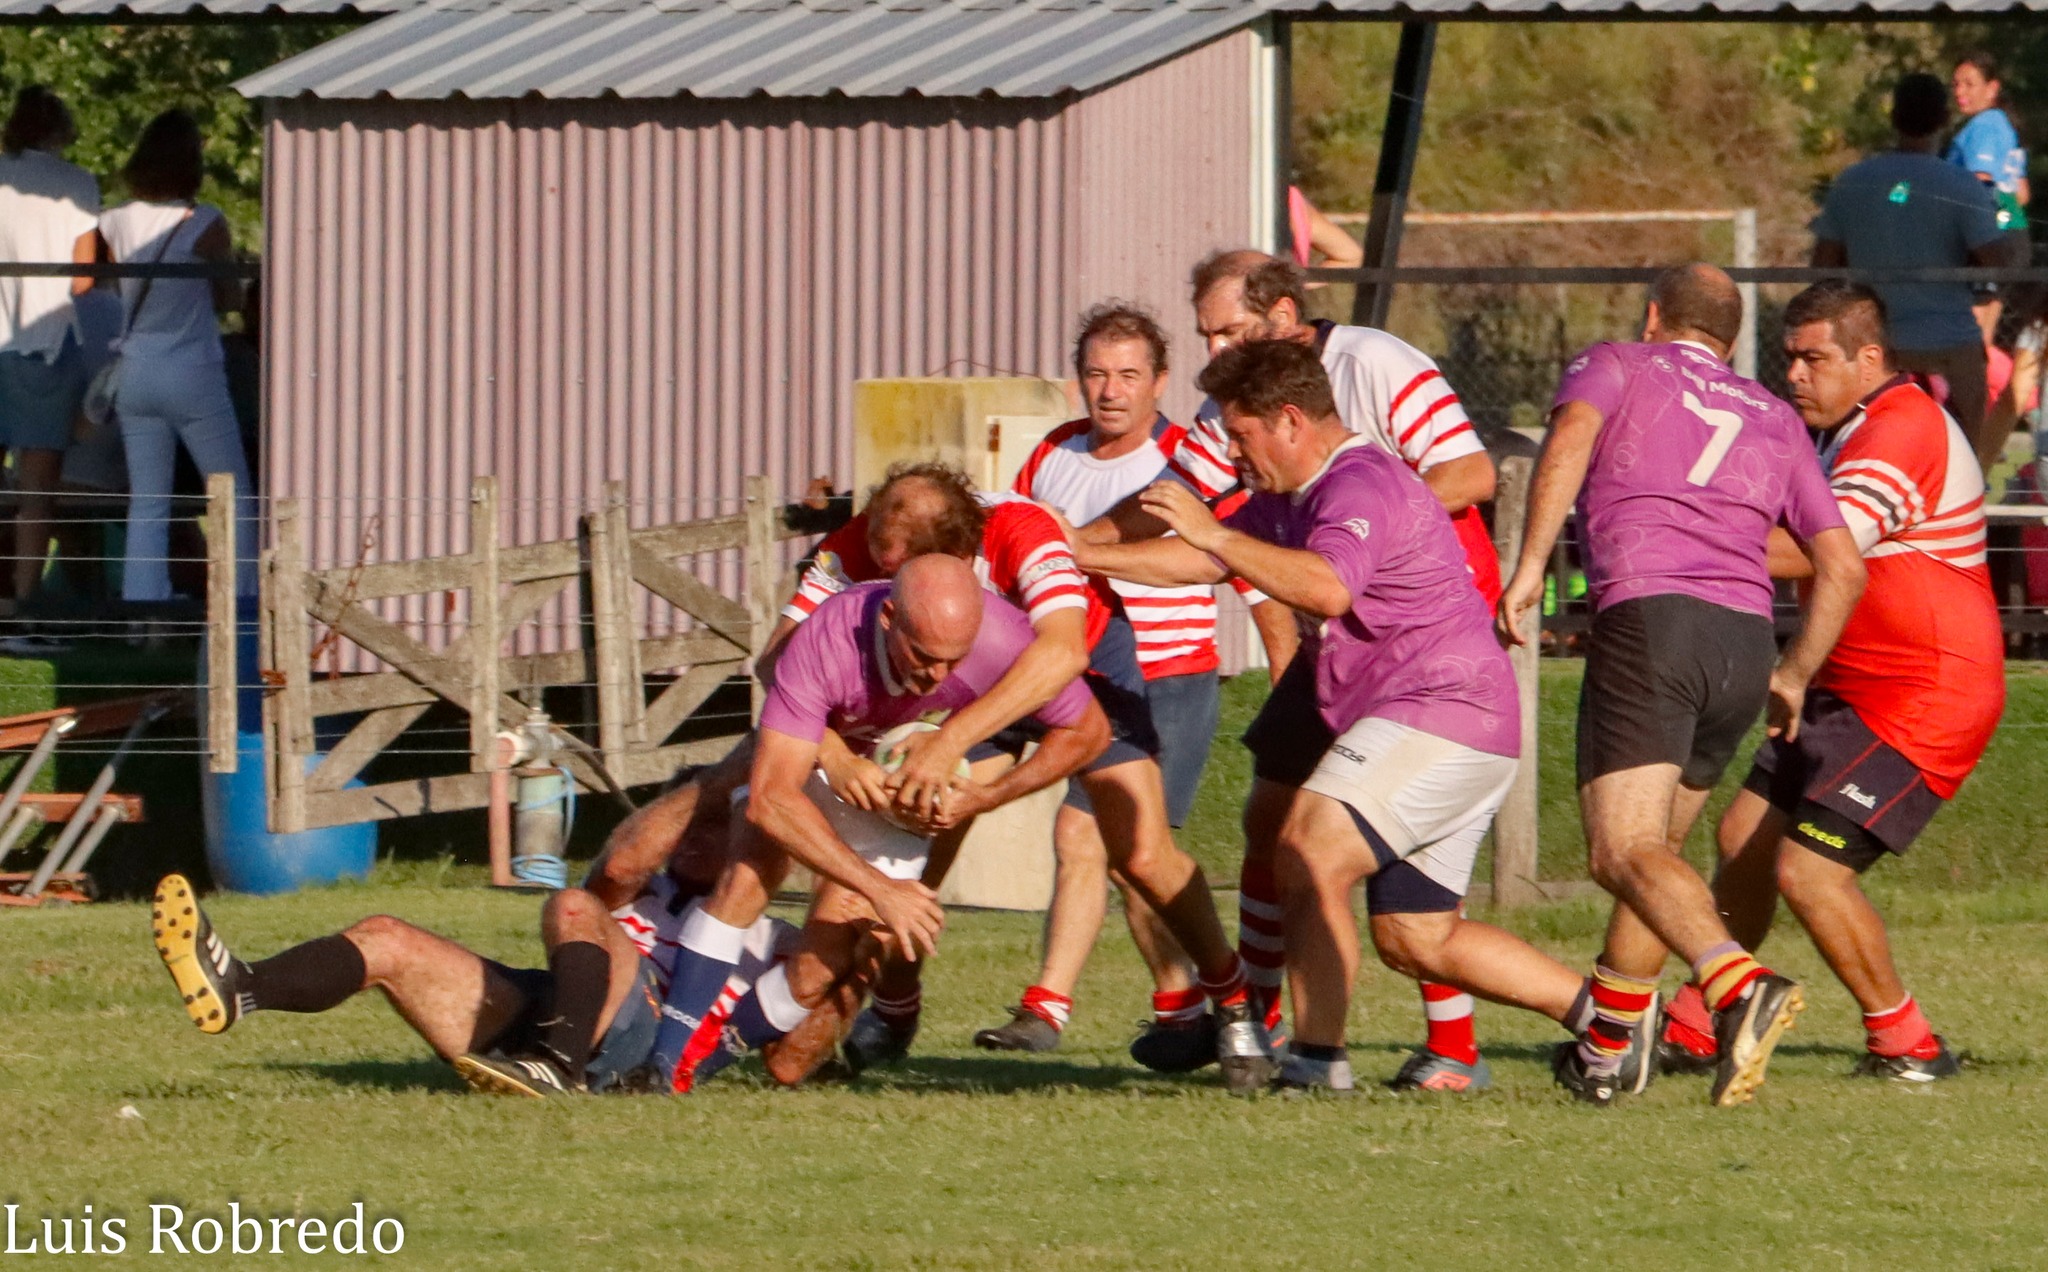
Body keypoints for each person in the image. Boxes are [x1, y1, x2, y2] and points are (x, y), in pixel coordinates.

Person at [1080, 339, 1596, 1094]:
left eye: (1242, 433)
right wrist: (1077, 553)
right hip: (1447, 724)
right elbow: (1207, 561)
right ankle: (1607, 1024)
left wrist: (1212, 530)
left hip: (1443, 713)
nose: (1233, 451)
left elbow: (1325, 590)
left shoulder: (1358, 484)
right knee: (1417, 937)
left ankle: (1317, 1062)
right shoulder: (1293, 494)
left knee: (1308, 845)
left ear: (1291, 420)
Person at [1498, 263, 1868, 1107]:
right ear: (1733, 341)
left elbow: (1569, 441)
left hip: (1653, 622)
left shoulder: (1618, 362)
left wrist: (1527, 569)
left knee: (1620, 851)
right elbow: (1841, 568)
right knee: (1654, 856)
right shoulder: (1775, 415)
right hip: (1743, 641)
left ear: (1654, 314)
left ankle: (1738, 986)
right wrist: (1794, 675)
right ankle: (1610, 1049)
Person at [1654, 283, 2002, 1084]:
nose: (1796, 374)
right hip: (1847, 687)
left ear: (1869, 359)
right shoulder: (1837, 432)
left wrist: (1669, 538)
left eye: (1815, 358)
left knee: (1809, 873)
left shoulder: (1901, 429)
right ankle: (1700, 1020)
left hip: (1928, 694)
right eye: (1789, 358)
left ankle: (1908, 1045)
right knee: (1743, 840)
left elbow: (1818, 549)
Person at [635, 558, 1140, 1093]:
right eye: (923, 656)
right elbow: (771, 800)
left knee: (823, 963)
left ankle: (701, 1062)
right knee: (748, 875)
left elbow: (1088, 733)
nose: (937, 676)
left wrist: (984, 797)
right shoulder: (830, 634)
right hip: (809, 758)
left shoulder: (1003, 639)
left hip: (891, 801)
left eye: (955, 660)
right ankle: (662, 1063)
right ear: (889, 618)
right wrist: (880, 881)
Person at [999, 302, 1289, 1073]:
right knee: (1100, 842)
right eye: (1097, 373)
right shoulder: (1053, 454)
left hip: (1172, 678)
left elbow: (1245, 567)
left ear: (1161, 383)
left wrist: (1290, 678)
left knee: (1137, 855)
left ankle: (1200, 1007)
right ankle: (1136, 1009)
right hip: (1084, 675)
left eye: (1129, 374)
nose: (1111, 390)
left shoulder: (1182, 458)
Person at [148, 853, 795, 1097]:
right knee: (386, 938)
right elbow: (625, 854)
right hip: (558, 1006)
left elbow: (800, 1046)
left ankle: (557, 1072)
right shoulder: (645, 882)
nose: (714, 837)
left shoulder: (776, 938)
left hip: (642, 1035)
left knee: (573, 907)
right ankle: (239, 988)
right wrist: (716, 782)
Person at [95, 110, 257, 603]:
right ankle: (243, 599)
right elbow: (229, 298)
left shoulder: (114, 220)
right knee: (234, 494)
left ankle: (144, 607)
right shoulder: (205, 222)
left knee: (148, 499)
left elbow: (104, 284)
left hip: (135, 373)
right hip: (193, 373)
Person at [1812, 74, 2011, 472]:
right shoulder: (1960, 184)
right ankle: (1963, 495)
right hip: (1950, 343)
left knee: (1864, 450)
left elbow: (1823, 264)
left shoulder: (1854, 181)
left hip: (1874, 342)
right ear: (1942, 119)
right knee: (1964, 452)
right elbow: (1998, 259)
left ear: (1895, 118)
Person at [0, 86, 99, 611]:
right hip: (45, 342)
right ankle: (23, 600)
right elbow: (83, 279)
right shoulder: (78, 185)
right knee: (36, 491)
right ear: (60, 130)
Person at [1288, 186, 1364, 274]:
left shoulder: (1291, 202)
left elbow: (1351, 257)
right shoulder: (1290, 200)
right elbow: (1351, 257)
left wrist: (1298, 282)